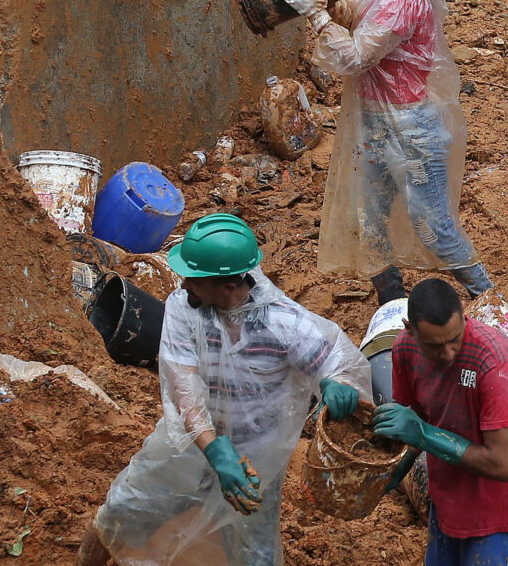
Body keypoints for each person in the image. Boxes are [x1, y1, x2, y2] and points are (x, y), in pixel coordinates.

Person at [86, 213, 369, 566]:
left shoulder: (282, 322)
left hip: (257, 456)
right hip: (190, 444)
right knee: (124, 508)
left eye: (195, 280)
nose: (185, 284)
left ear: (228, 287)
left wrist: (335, 384)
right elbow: (184, 389)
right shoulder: (183, 309)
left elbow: (335, 362)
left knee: (254, 553)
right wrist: (215, 449)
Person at [280, 0, 492, 306]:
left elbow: (358, 56)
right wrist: (325, 3)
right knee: (369, 219)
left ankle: (490, 299)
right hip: (379, 124)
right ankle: (391, 304)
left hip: (411, 132)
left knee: (435, 228)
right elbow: (358, 12)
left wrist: (316, 18)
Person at [376, 278, 508, 566]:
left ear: (464, 316)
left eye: (454, 339)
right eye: (435, 346)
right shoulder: (405, 351)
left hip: (499, 515)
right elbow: (417, 419)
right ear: (409, 329)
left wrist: (423, 434)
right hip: (448, 505)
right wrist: (393, 469)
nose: (448, 353)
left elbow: (502, 464)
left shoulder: (495, 361)